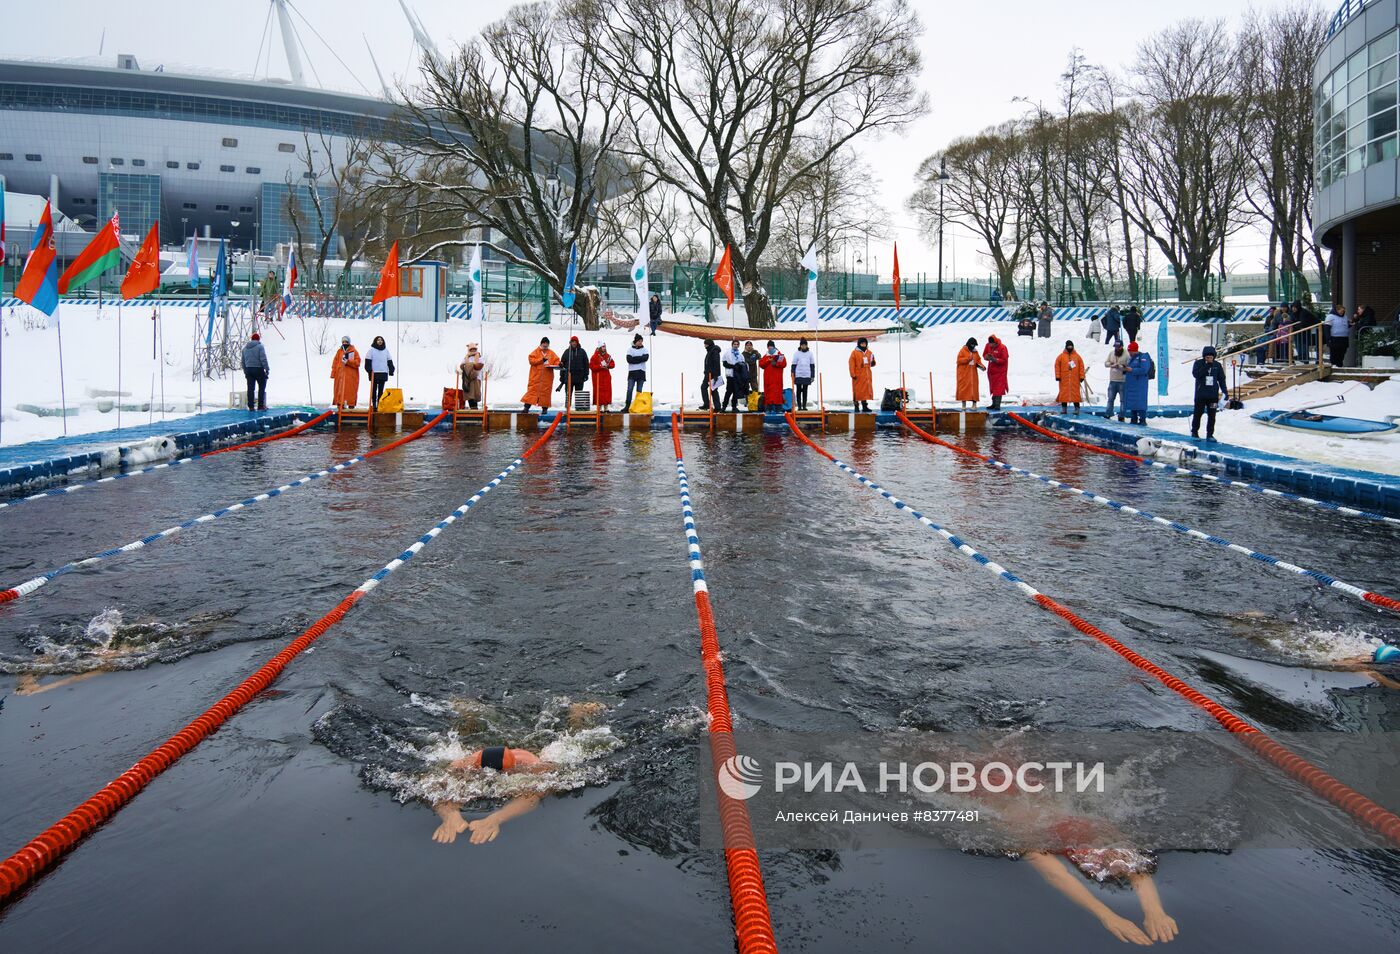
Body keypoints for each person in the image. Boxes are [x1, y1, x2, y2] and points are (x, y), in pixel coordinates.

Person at [431, 746, 548, 845]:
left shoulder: (533, 767)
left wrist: (496, 818)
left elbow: (533, 796)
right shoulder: (463, 766)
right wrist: (449, 814)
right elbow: (437, 789)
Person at [1190, 345, 1230, 440]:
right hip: (1201, 395)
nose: (1209, 359)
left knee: (1212, 415)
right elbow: (1196, 374)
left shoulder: (1217, 365)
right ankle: (1194, 432)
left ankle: (1210, 434)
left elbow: (1221, 380)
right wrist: (1207, 365)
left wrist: (1225, 392)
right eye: (1207, 357)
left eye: (1211, 357)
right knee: (1198, 414)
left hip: (1212, 396)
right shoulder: (1198, 364)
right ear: (1204, 357)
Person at [521, 336, 559, 413]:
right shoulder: (535, 352)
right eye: (544, 345)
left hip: (547, 379)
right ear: (541, 344)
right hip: (535, 377)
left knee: (545, 394)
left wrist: (559, 364)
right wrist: (541, 360)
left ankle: (544, 410)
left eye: (547, 345)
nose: (545, 347)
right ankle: (526, 408)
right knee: (532, 392)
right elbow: (531, 360)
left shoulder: (551, 353)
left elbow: (556, 361)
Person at [1123, 342, 1155, 426]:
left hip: (1140, 385)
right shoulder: (1132, 358)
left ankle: (1142, 419)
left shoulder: (1143, 357)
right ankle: (1133, 419)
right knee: (1132, 402)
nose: (1129, 353)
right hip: (1132, 384)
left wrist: (1132, 370)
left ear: (1134, 350)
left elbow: (1144, 369)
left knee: (1140, 402)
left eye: (1130, 351)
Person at [1053, 341, 1085, 415]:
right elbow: (1057, 366)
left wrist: (1081, 376)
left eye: (1071, 346)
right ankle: (1064, 409)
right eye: (1068, 346)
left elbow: (1081, 367)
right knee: (1064, 394)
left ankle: (1077, 409)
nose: (1070, 348)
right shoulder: (1060, 356)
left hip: (1075, 379)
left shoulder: (1077, 357)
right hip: (1064, 379)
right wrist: (1058, 376)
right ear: (1066, 347)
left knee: (1075, 394)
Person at [363, 336, 395, 410]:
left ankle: (380, 403)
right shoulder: (371, 350)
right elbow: (367, 362)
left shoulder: (386, 351)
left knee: (381, 390)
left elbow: (389, 361)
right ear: (375, 341)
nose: (380, 341)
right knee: (374, 389)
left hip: (383, 372)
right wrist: (369, 370)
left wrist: (391, 370)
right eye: (378, 340)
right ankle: (374, 404)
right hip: (374, 373)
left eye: (381, 340)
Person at [559, 335, 590, 408]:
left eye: (575, 342)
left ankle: (579, 409)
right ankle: (567, 409)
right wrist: (562, 377)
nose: (574, 343)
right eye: (572, 342)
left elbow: (586, 364)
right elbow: (562, 364)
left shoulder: (582, 351)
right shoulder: (566, 352)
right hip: (569, 377)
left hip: (580, 377)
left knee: (579, 395)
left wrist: (586, 374)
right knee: (568, 394)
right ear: (570, 343)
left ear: (577, 343)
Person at [241, 332, 270, 411]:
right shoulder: (260, 347)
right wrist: (267, 369)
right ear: (258, 339)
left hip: (248, 370)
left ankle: (251, 406)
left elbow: (242, 361)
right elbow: (263, 359)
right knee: (261, 387)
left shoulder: (245, 348)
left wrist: (245, 371)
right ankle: (260, 406)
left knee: (250, 388)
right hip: (258, 369)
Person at [330, 336, 361, 409]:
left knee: (350, 391)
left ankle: (351, 406)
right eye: (343, 342)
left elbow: (357, 363)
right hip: (339, 375)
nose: (344, 343)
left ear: (349, 343)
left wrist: (348, 361)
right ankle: (340, 406)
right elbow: (335, 362)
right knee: (339, 391)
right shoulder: (339, 351)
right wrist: (333, 373)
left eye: (346, 342)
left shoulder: (354, 351)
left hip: (351, 376)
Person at [1103, 342, 1131, 422]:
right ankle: (1108, 413)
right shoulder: (1111, 353)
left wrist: (1120, 366)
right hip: (1112, 380)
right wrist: (1111, 365)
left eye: (1118, 347)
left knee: (1123, 400)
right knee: (1110, 398)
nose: (1116, 348)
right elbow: (1106, 363)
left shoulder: (1127, 355)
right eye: (1115, 347)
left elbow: (1129, 367)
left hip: (1122, 381)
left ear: (1122, 347)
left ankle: (1122, 415)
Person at [955, 337, 986, 409]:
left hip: (973, 374)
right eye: (973, 345)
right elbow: (959, 361)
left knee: (974, 389)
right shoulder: (962, 351)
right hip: (964, 374)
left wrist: (982, 366)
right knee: (964, 389)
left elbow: (978, 360)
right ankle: (964, 404)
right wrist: (967, 359)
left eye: (974, 345)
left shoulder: (975, 352)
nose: (974, 347)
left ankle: (974, 405)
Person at [758, 340, 787, 412]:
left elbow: (784, 364)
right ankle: (768, 408)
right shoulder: (766, 356)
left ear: (774, 347)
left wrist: (776, 364)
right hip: (768, 379)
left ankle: (778, 409)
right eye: (769, 347)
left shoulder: (779, 355)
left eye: (771, 346)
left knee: (777, 393)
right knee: (768, 394)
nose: (770, 348)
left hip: (777, 379)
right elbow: (761, 364)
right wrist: (768, 361)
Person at [849, 337, 876, 413]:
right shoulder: (854, 353)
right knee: (857, 391)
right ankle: (856, 406)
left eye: (864, 343)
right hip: (858, 375)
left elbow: (872, 362)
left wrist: (873, 362)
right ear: (859, 344)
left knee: (865, 391)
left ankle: (865, 406)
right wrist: (852, 374)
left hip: (867, 375)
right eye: (862, 343)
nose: (863, 344)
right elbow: (851, 364)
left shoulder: (869, 352)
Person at [721, 339, 749, 412]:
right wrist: (733, 366)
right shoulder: (727, 353)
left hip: (738, 376)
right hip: (730, 375)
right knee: (728, 391)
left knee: (736, 392)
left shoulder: (740, 355)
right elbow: (724, 363)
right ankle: (724, 406)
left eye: (737, 344)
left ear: (739, 345)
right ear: (732, 345)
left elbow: (743, 364)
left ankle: (734, 406)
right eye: (734, 344)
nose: (736, 345)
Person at [984, 335, 1010, 410]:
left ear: (995, 343)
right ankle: (994, 404)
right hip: (992, 372)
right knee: (993, 388)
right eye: (990, 344)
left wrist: (995, 360)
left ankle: (997, 405)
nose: (990, 345)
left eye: (992, 344)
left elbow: (1004, 360)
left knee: (999, 388)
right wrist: (987, 357)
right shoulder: (988, 345)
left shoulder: (1002, 348)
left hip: (1000, 372)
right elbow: (984, 355)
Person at [624, 334, 648, 411]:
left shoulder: (645, 349)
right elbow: (629, 360)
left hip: (641, 372)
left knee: (639, 391)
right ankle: (627, 406)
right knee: (630, 389)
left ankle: (637, 406)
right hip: (632, 373)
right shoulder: (630, 349)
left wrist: (635, 359)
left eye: (641, 341)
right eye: (639, 341)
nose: (641, 342)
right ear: (636, 341)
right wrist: (640, 359)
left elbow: (645, 358)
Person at [791, 338, 816, 411]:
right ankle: (799, 406)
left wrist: (812, 376)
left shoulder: (810, 353)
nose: (804, 346)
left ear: (807, 345)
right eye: (802, 345)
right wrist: (792, 374)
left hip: (807, 375)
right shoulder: (796, 353)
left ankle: (804, 406)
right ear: (800, 346)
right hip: (798, 374)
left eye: (805, 345)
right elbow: (793, 365)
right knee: (798, 390)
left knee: (805, 390)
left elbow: (812, 365)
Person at [590, 342, 615, 412]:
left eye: (605, 347)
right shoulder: (594, 357)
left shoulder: (608, 356)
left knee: (607, 392)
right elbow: (592, 367)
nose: (604, 348)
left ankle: (606, 408)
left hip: (606, 377)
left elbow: (613, 364)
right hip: (598, 378)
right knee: (599, 393)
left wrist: (608, 366)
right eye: (603, 347)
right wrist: (600, 366)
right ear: (600, 348)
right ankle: (599, 408)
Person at [459, 343, 484, 410]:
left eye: (474, 349)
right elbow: (462, 365)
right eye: (471, 349)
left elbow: (480, 365)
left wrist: (472, 366)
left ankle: (474, 408)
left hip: (476, 377)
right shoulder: (466, 357)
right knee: (469, 393)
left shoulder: (479, 357)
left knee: (475, 393)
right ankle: (472, 408)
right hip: (468, 378)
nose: (473, 350)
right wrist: (469, 366)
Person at [1325, 303, 1350, 367]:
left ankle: (1339, 365)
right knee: (1334, 353)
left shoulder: (1345, 317)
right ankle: (1333, 366)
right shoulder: (1330, 317)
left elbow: (1344, 325)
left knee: (1342, 354)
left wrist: (1350, 325)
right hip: (1335, 338)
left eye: (1343, 311)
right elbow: (1327, 328)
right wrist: (1328, 339)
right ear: (1337, 310)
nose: (1342, 312)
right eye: (1341, 311)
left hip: (1344, 338)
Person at [701, 338, 722, 410]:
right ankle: (716, 406)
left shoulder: (714, 351)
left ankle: (709, 405)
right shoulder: (711, 350)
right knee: (713, 390)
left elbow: (716, 363)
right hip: (708, 373)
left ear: (709, 344)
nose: (704, 346)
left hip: (712, 374)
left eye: (705, 344)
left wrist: (716, 375)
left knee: (706, 388)